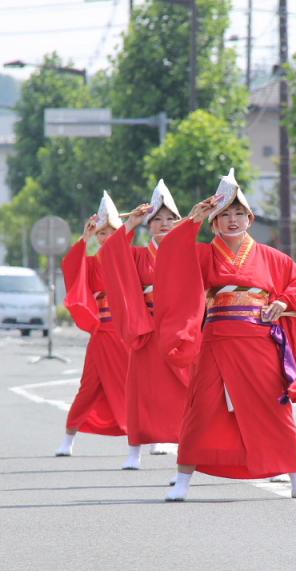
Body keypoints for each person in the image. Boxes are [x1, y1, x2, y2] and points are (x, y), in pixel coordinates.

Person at [155, 169, 296, 502]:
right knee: (201, 409)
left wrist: (282, 302)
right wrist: (192, 220)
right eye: (224, 215)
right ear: (214, 223)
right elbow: (170, 257)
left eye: (238, 213)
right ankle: (183, 481)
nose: (232, 220)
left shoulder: (271, 257)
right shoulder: (203, 255)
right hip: (216, 341)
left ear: (250, 218)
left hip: (259, 341)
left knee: (275, 408)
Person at [99, 180, 190, 470]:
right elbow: (111, 253)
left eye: (170, 219)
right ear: (149, 225)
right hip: (148, 331)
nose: (164, 224)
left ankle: (187, 446)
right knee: (141, 392)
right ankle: (134, 452)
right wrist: (131, 224)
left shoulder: (189, 253)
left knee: (186, 391)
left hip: (179, 332)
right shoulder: (138, 255)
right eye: (157, 219)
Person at [53, 192, 129, 459]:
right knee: (89, 388)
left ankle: (151, 437)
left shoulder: (132, 259)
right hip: (103, 333)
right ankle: (68, 437)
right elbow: (72, 268)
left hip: (129, 335)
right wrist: (84, 239)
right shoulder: (92, 263)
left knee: (141, 387)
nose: (107, 237)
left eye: (112, 232)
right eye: (102, 233)